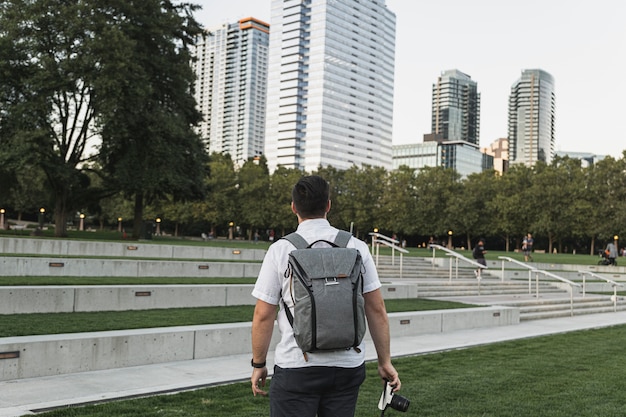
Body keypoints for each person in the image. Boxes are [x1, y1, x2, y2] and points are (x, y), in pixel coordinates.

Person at [250, 175, 401, 417]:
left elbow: (263, 315)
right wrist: (385, 362)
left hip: (297, 365)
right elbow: (376, 309)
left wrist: (259, 364)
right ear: (328, 205)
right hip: (346, 367)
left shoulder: (280, 250)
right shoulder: (357, 247)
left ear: (293, 207)